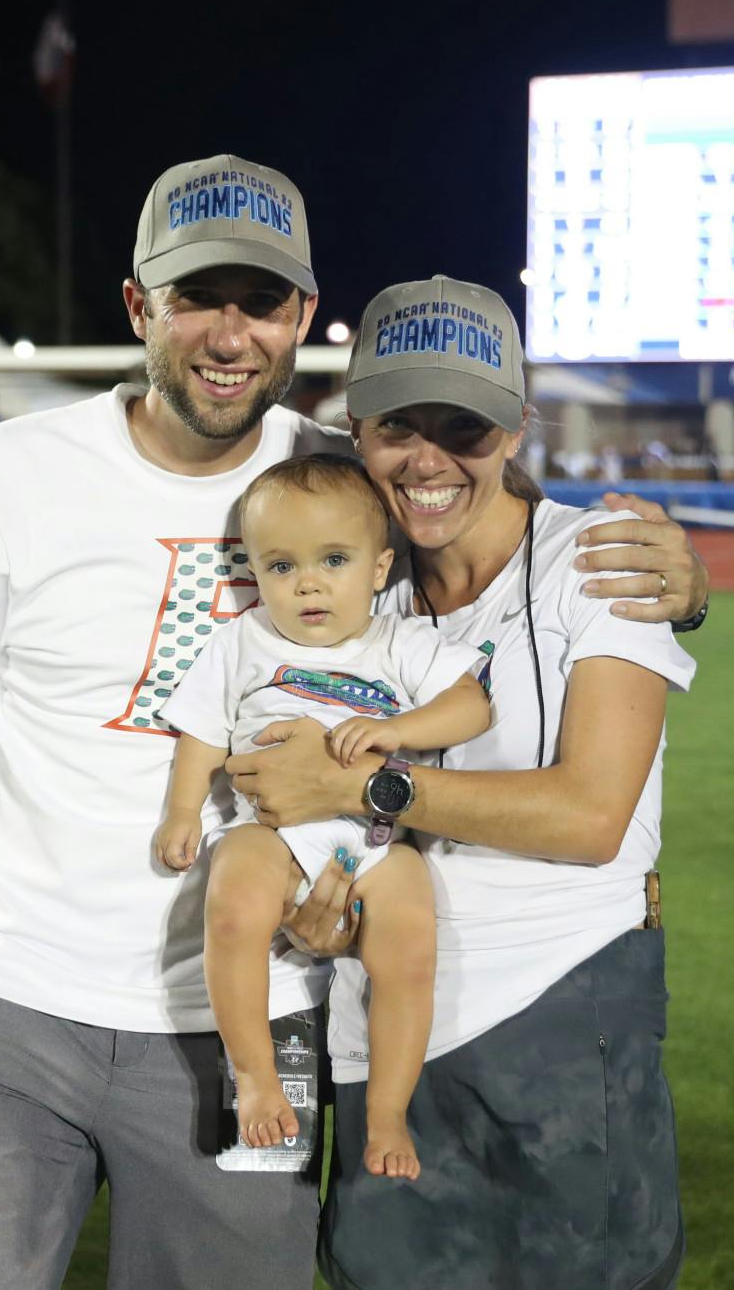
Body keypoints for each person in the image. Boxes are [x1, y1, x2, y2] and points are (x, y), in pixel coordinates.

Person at [0, 155, 709, 1288]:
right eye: (196, 297)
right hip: (23, 998)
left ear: (301, 318)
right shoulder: (15, 473)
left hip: (272, 1017)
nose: (229, 333)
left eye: (260, 302)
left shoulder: (344, 485)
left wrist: (687, 587)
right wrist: (12, 901)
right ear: (138, 306)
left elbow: (497, 532)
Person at [224, 275, 698, 1290]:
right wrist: (309, 910)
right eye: (399, 425)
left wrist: (365, 790)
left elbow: (587, 815)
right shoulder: (347, 584)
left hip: (562, 1022)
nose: (427, 459)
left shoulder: (595, 564)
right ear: (354, 429)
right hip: (381, 1038)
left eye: (464, 427)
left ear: (518, 427)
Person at [156, 454, 490, 1178]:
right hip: (270, 830)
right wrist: (184, 812)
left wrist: (401, 731)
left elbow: (472, 704)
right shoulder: (244, 640)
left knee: (409, 954)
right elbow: (202, 732)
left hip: (376, 840)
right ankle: (253, 1075)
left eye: (333, 559)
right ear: (255, 571)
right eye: (281, 566)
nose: (307, 582)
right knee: (233, 905)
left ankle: (389, 1112)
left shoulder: (399, 642)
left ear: (379, 568)